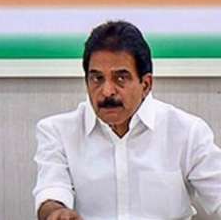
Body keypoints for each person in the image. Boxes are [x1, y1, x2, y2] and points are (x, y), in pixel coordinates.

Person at [33, 20, 221, 220]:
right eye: (97, 78)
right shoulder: (58, 132)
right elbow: (51, 191)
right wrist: (56, 212)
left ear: (146, 84)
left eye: (120, 78)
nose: (107, 91)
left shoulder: (187, 132)